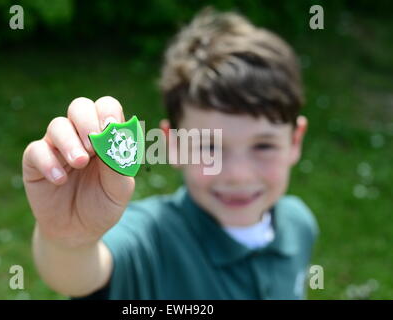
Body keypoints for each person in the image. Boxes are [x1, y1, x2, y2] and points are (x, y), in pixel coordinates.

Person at [22, 7, 319, 299]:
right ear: (174, 145)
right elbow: (79, 275)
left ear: (295, 141)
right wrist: (69, 241)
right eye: (208, 146)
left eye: (263, 145)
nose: (238, 175)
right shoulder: (150, 240)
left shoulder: (299, 224)